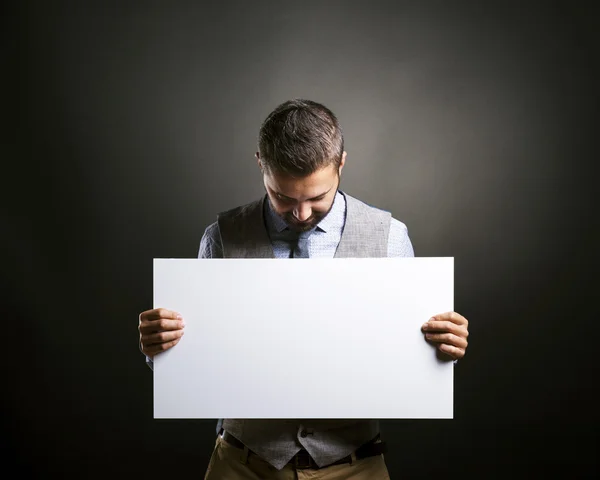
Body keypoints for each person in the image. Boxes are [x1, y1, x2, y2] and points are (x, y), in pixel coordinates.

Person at [138, 99, 470, 479]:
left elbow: (414, 357)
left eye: (317, 198)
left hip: (355, 466)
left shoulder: (391, 238)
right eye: (283, 197)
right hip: (242, 464)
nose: (301, 214)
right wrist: (159, 349)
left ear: (341, 164)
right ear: (261, 163)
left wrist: (446, 347)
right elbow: (191, 360)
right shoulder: (221, 238)